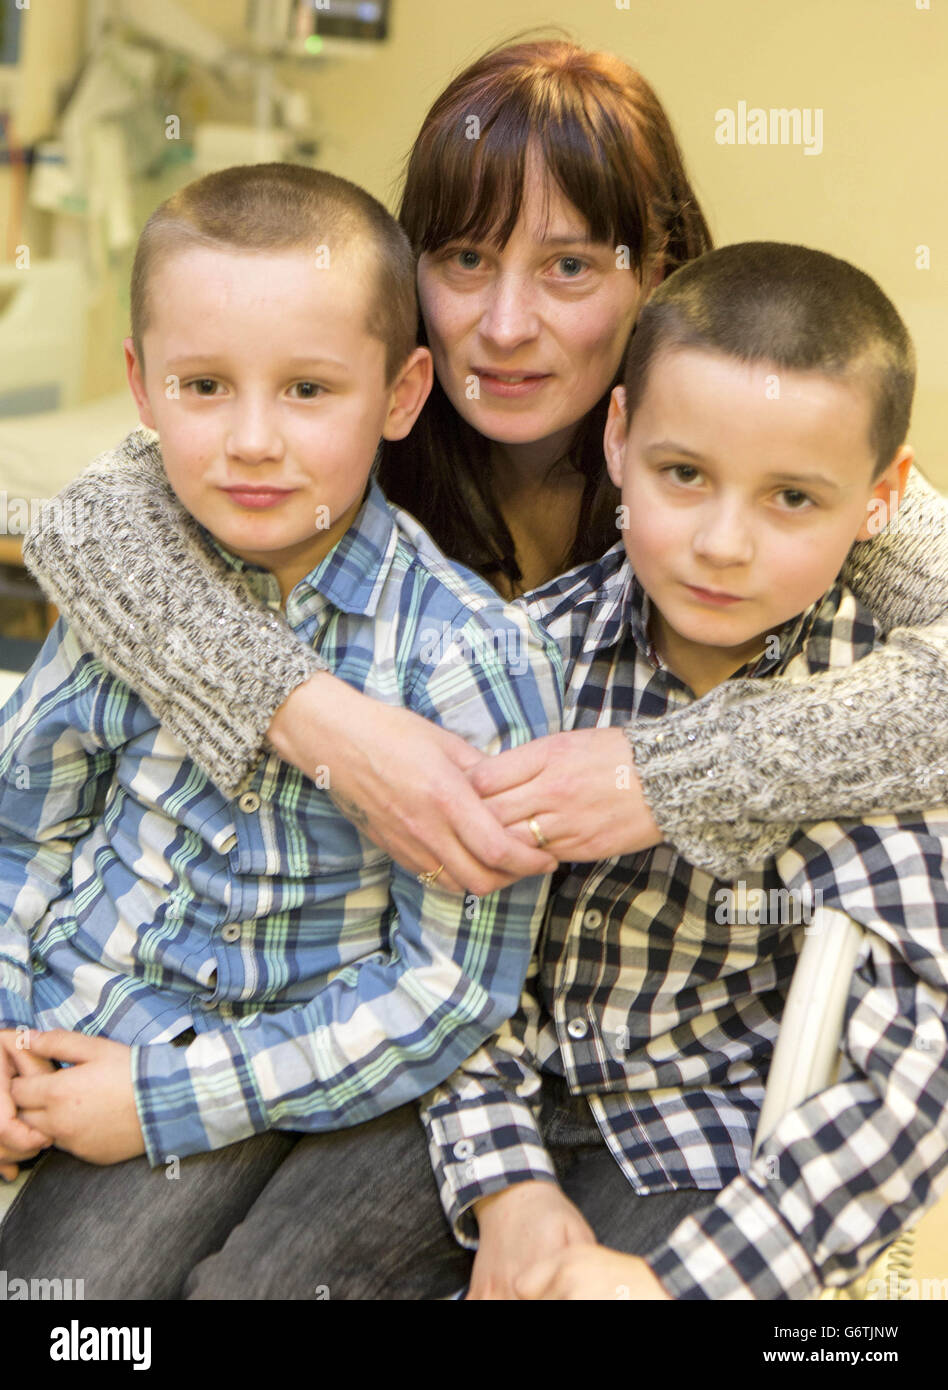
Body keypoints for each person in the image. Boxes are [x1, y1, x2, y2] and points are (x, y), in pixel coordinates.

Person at [23, 39, 948, 901]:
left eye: (570, 267)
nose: (506, 327)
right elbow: (87, 527)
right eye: (466, 257)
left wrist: (665, 772)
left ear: (656, 270)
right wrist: (321, 720)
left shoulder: (740, 450)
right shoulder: (349, 418)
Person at [257, 242, 945, 1301]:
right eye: (684, 475)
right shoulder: (530, 653)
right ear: (619, 439)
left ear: (882, 500)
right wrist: (506, 1186)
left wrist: (683, 1287)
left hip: (705, 1136)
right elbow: (438, 944)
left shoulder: (868, 719)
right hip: (490, 1095)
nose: (723, 543)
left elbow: (912, 1077)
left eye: (793, 499)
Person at [0, 163, 564, 1299]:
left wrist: (160, 1098)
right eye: (204, 385)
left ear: (403, 396)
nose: (253, 441)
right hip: (61, 1031)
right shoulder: (129, 587)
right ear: (142, 388)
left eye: (309, 390)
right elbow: (25, 828)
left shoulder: (469, 659)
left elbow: (446, 986)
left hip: (274, 1076)